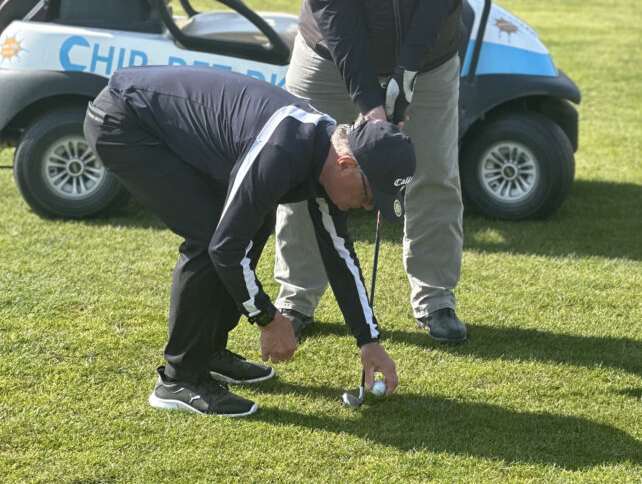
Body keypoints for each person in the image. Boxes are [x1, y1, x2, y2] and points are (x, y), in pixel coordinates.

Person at [83, 65, 415, 417]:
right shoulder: (283, 151)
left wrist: (369, 340)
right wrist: (269, 320)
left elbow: (339, 253)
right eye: (369, 197)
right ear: (347, 164)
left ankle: (208, 351)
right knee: (209, 235)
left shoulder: (326, 155)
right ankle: (179, 378)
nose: (366, 207)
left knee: (251, 222)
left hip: (156, 122)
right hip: (125, 120)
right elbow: (224, 248)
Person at [273, 0, 470, 345]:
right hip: (328, 52)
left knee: (434, 171)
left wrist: (406, 71)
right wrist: (370, 104)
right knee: (300, 169)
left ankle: (436, 299)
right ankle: (295, 298)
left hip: (429, 52)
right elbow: (332, 4)